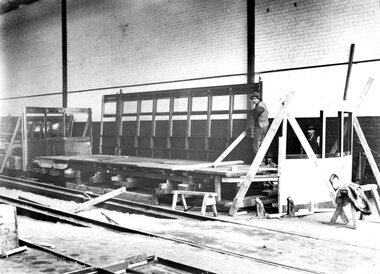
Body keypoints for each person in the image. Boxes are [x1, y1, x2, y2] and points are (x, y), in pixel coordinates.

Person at [248, 92, 269, 159]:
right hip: (265, 125)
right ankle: (262, 159)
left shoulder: (259, 107)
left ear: (258, 99)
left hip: (260, 126)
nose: (253, 100)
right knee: (261, 143)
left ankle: (259, 160)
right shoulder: (262, 104)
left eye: (255, 99)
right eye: (252, 99)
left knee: (255, 145)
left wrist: (248, 127)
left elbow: (254, 116)